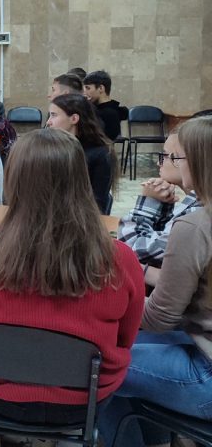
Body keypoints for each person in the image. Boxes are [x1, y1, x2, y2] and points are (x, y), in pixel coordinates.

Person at [0, 128, 144, 426]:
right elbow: (126, 338)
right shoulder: (121, 259)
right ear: (81, 181)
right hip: (86, 400)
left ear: (14, 180)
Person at [98, 116, 212, 447]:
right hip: (200, 345)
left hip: (206, 373)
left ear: (197, 162)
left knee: (98, 364)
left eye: (175, 157)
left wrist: (105, 304)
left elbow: (159, 317)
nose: (169, 162)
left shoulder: (196, 226)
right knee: (119, 346)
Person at [118, 130, 202, 268]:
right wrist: (162, 205)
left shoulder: (195, 213)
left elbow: (130, 251)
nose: (158, 163)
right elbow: (160, 238)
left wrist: (148, 202)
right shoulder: (195, 205)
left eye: (165, 156)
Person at [48, 94, 115, 212]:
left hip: (81, 218)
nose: (49, 122)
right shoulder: (52, 148)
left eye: (54, 115)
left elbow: (98, 204)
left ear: (74, 119)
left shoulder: (101, 154)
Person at [83, 70, 128, 141]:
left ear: (101, 88)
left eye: (88, 88)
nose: (84, 93)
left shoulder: (110, 114)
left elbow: (103, 140)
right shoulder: (92, 108)